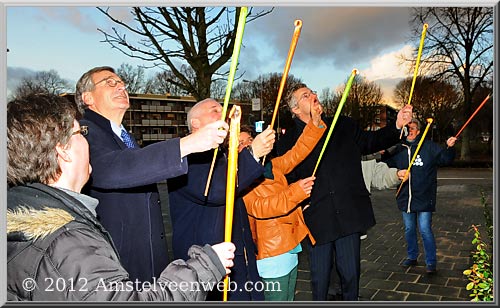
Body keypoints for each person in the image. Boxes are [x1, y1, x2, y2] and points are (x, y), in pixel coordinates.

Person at [6, 93, 235, 301]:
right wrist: (205, 266)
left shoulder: (28, 217)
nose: (120, 87)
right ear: (62, 150)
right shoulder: (69, 244)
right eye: (79, 133)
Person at [75, 66, 229, 284]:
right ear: (87, 97)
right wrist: (185, 145)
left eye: (122, 83)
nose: (121, 86)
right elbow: (111, 169)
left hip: (146, 258)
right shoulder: (83, 132)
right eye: (110, 82)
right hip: (117, 261)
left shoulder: (123, 135)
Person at [276, 83, 413, 301]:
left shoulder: (341, 124)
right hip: (317, 219)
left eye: (313, 92)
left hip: (348, 215)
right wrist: (301, 204)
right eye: (305, 96)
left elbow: (371, 142)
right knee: (320, 280)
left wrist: (397, 124)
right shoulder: (287, 141)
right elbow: (284, 178)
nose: (313, 96)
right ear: (295, 109)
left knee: (351, 276)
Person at [167, 98, 276, 301]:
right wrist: (252, 154)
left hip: (238, 260)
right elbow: (216, 190)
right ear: (196, 124)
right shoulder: (186, 157)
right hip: (206, 265)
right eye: (214, 110)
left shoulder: (222, 156)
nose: (222, 114)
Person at [242, 103, 326, 301]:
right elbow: (259, 207)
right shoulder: (238, 178)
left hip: (289, 247)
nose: (246, 146)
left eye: (249, 141)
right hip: (271, 256)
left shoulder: (271, 166)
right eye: (240, 144)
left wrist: (314, 124)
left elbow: (297, 153)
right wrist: (295, 192)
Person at [384, 118, 457, 273]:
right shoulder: (399, 148)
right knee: (409, 228)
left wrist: (449, 148)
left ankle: (431, 262)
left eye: (413, 128)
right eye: (407, 128)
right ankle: (412, 256)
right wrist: (383, 153)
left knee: (424, 229)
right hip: (406, 197)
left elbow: (445, 159)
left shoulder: (428, 147)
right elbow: (387, 166)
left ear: (418, 130)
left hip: (425, 197)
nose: (410, 131)